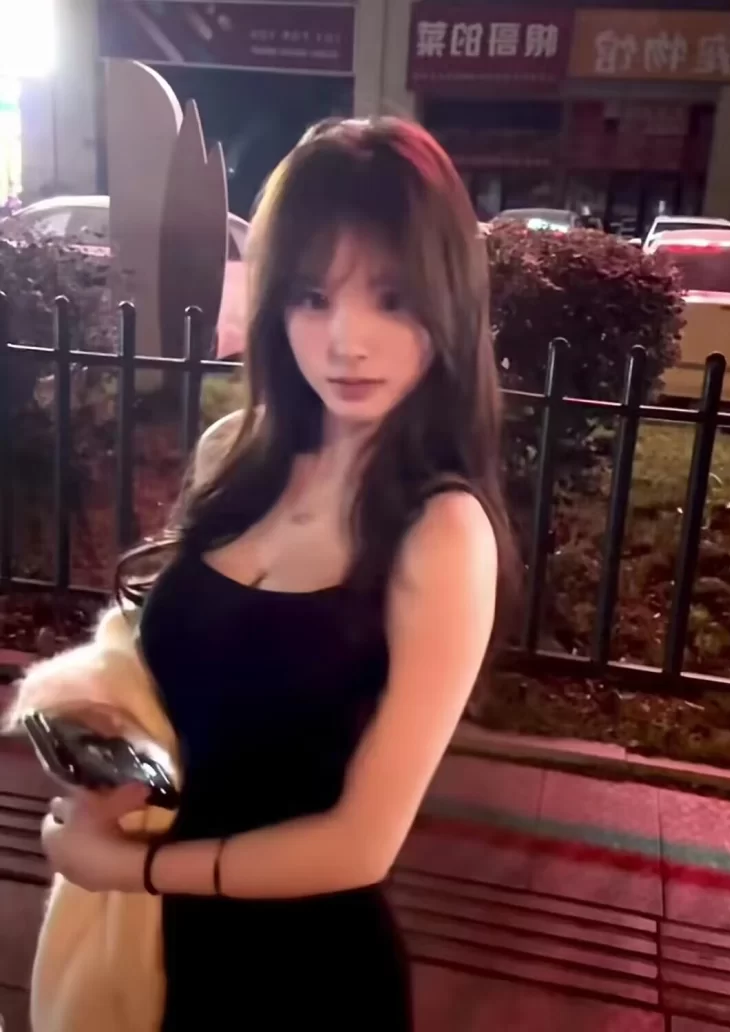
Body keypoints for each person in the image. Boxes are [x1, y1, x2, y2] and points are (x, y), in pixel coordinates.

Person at [37, 117, 516, 1030]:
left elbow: (360, 845)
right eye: (312, 297)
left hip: (307, 976)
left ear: (448, 303)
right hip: (157, 951)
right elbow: (182, 690)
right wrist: (103, 767)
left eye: (391, 299)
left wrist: (131, 868)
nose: (347, 342)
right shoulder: (233, 453)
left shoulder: (442, 532)